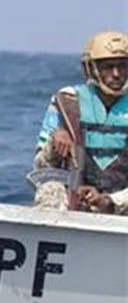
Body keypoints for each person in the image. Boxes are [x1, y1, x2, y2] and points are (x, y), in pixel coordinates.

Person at [32, 30, 128, 214]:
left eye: (123, 66)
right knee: (50, 189)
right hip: (74, 198)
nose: (116, 74)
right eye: (108, 67)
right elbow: (39, 167)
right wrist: (55, 143)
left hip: (121, 204)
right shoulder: (67, 100)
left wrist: (109, 201)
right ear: (91, 69)